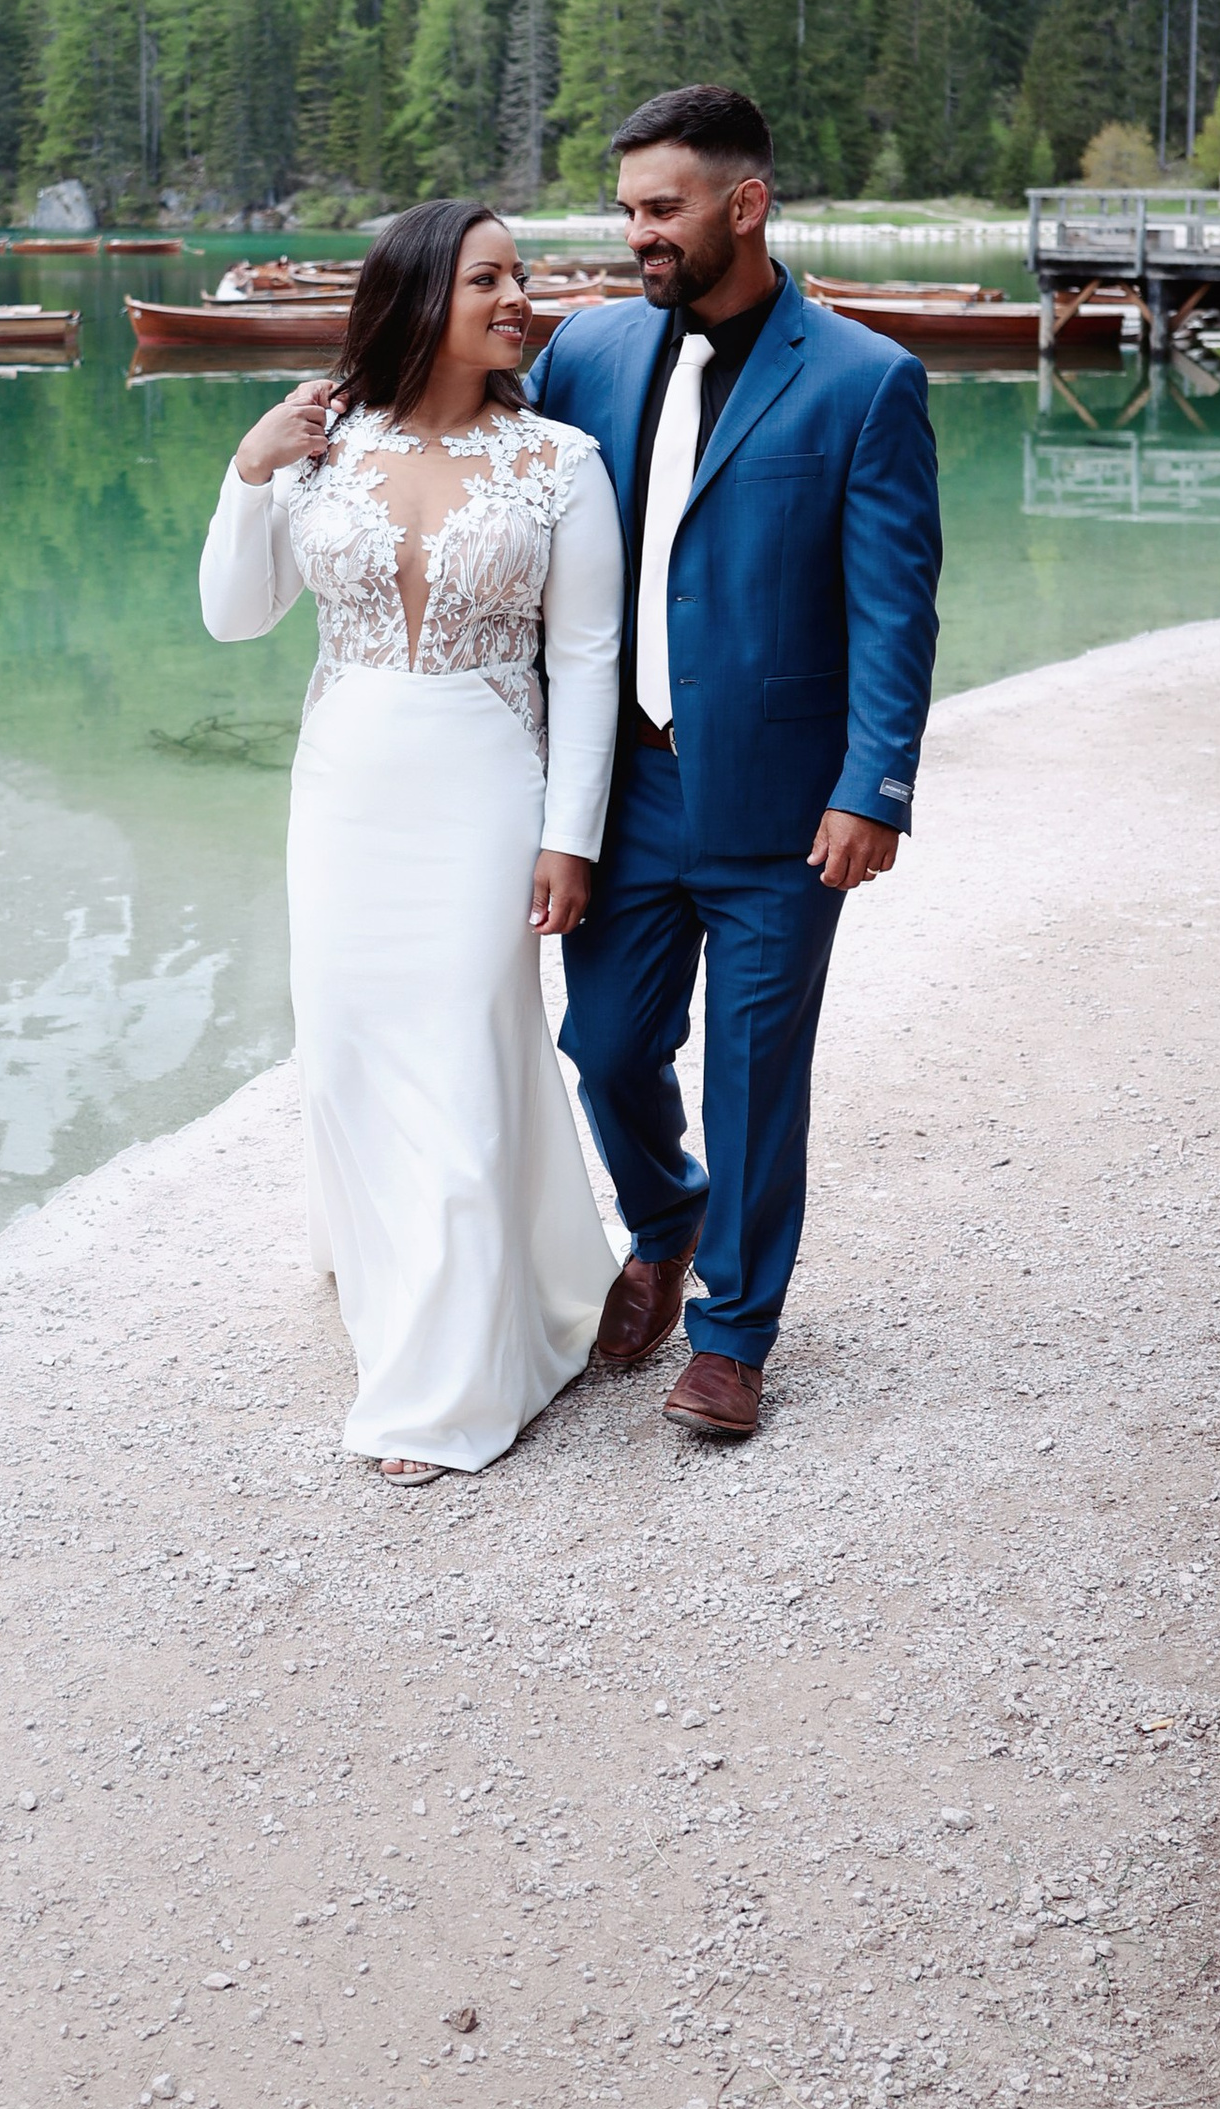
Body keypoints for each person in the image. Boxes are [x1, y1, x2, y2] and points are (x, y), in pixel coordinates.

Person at [529, 83, 944, 1440]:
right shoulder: (586, 354)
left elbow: (896, 604)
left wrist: (871, 785)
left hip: (781, 806)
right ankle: (664, 1213)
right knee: (603, 1044)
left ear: (745, 205)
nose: (638, 233)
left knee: (758, 1073)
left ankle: (733, 1332)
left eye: (664, 209)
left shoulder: (864, 381)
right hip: (629, 787)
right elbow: (480, 466)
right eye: (630, 209)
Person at [199, 199, 626, 1483]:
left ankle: (442, 1389)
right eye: (489, 279)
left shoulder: (560, 463)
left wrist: (572, 838)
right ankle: (411, 1275)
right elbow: (234, 616)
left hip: (487, 782)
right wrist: (248, 465)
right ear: (419, 296)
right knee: (350, 1049)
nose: (519, 301)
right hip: (343, 790)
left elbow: (589, 663)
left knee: (455, 1052)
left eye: (522, 278)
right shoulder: (325, 443)